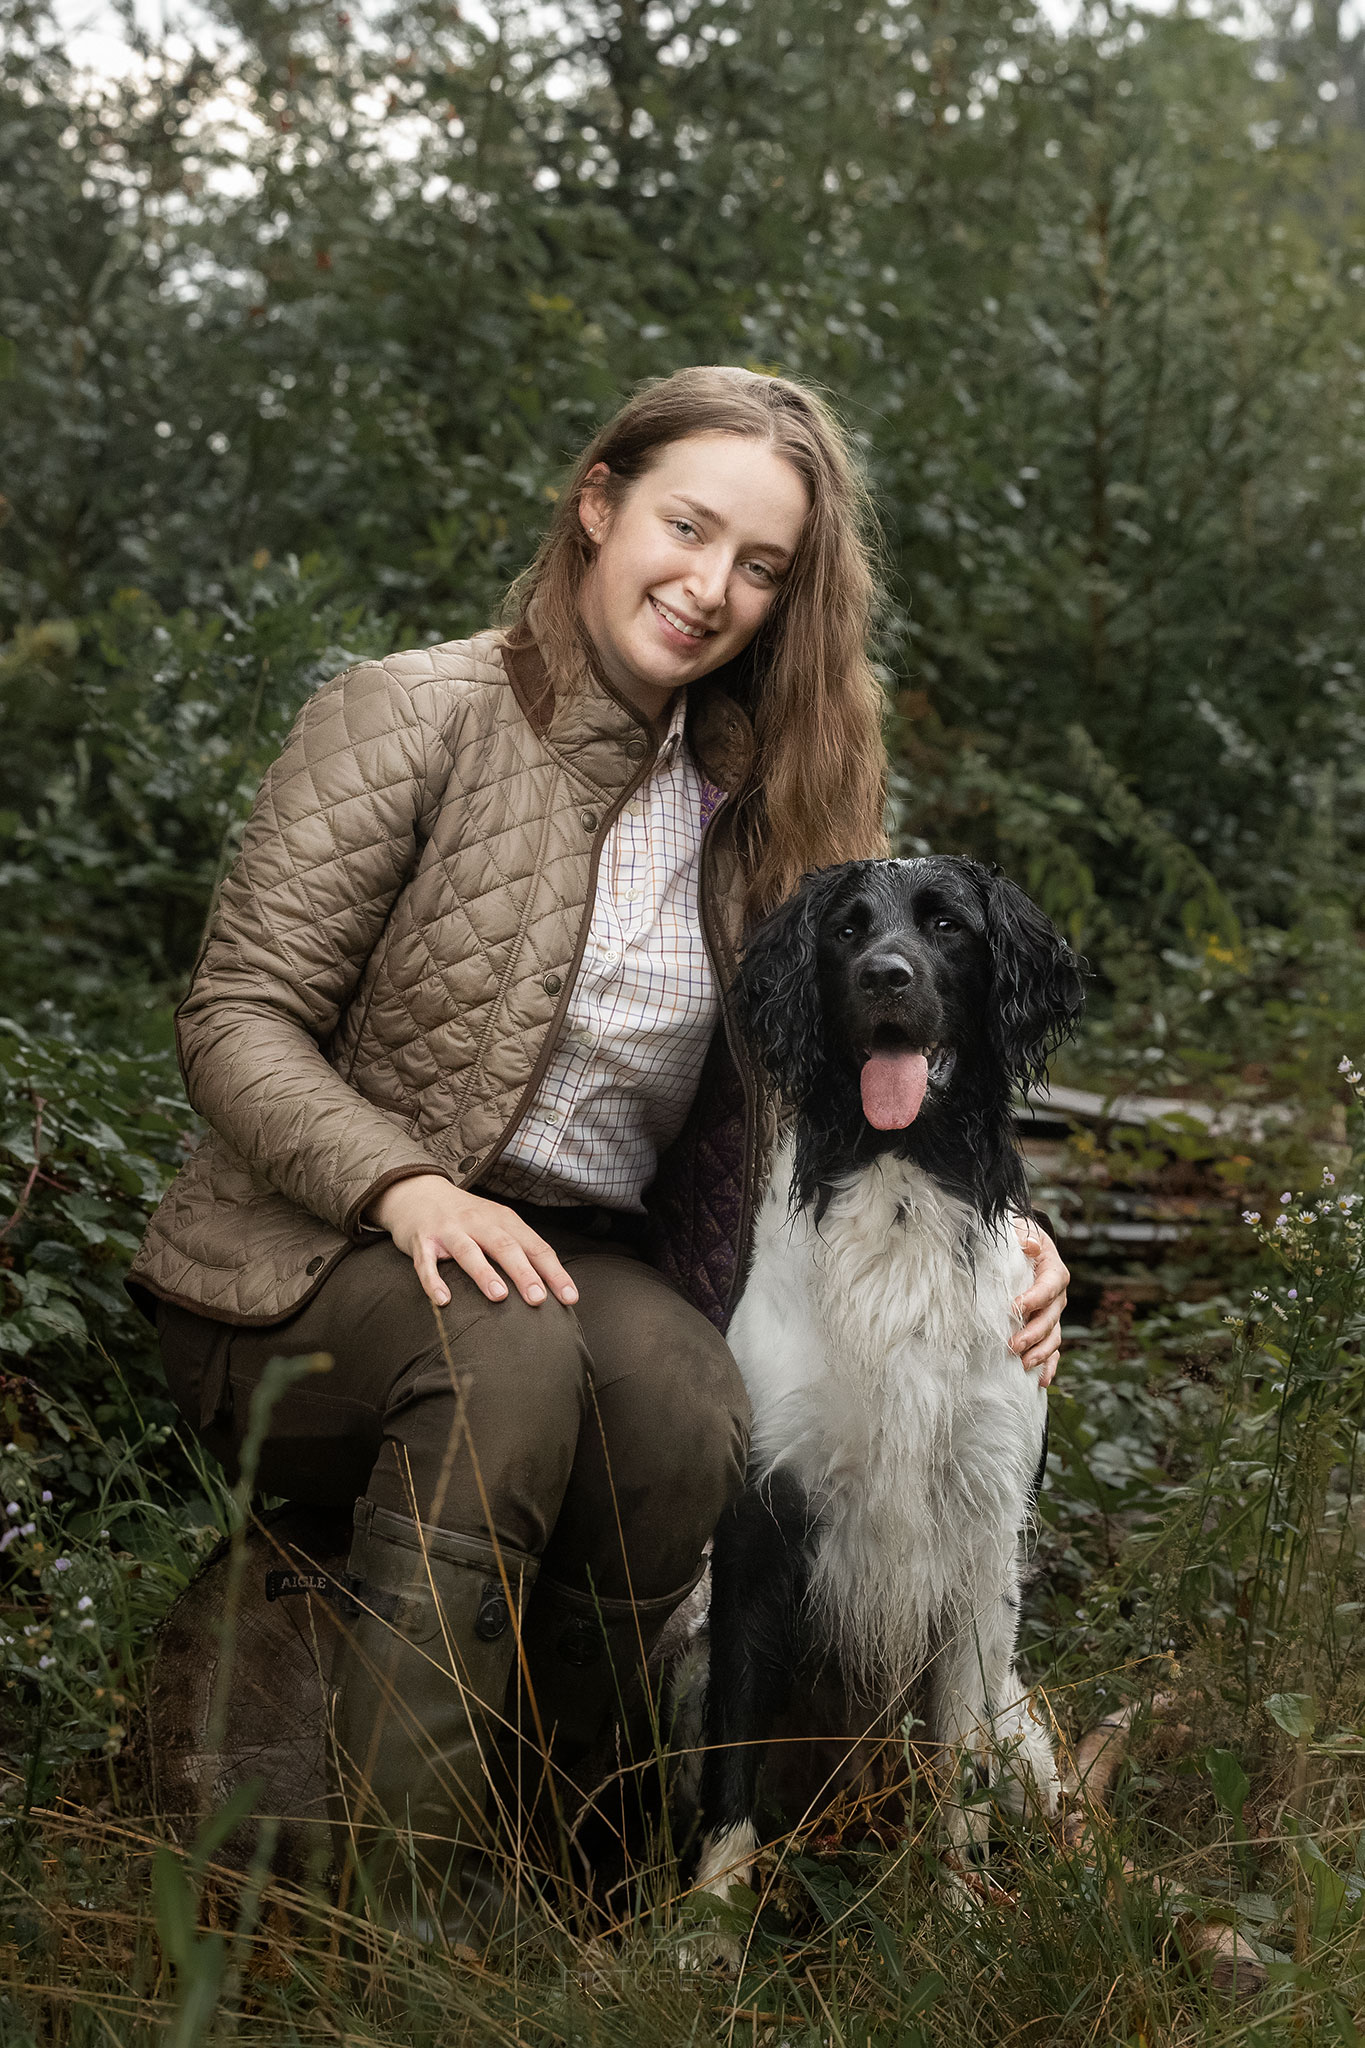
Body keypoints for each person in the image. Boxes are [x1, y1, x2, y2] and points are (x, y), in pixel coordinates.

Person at [128, 365, 1069, 1945]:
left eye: (759, 564)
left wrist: (1012, 1240)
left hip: (580, 1253)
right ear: (596, 502)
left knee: (686, 1400)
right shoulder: (408, 711)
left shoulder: (771, 797)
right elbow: (234, 1017)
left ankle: (574, 1859)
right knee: (502, 1357)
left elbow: (881, 1063)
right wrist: (403, 1186)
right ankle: (411, 1908)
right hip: (303, 1251)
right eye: (685, 527)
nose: (709, 586)